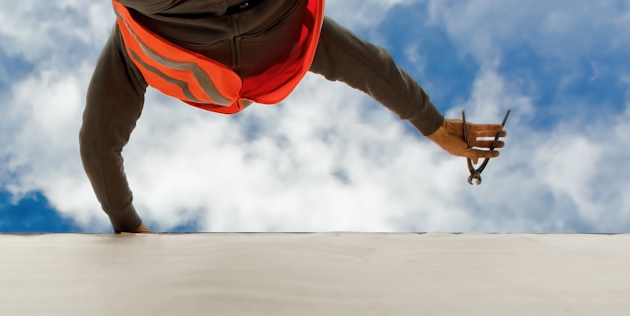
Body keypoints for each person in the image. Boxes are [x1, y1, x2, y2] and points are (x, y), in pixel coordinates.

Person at [79, 0, 508, 233]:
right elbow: (98, 146)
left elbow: (373, 67)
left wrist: (128, 225)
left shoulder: (140, 49)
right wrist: (127, 223)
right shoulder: (294, 49)